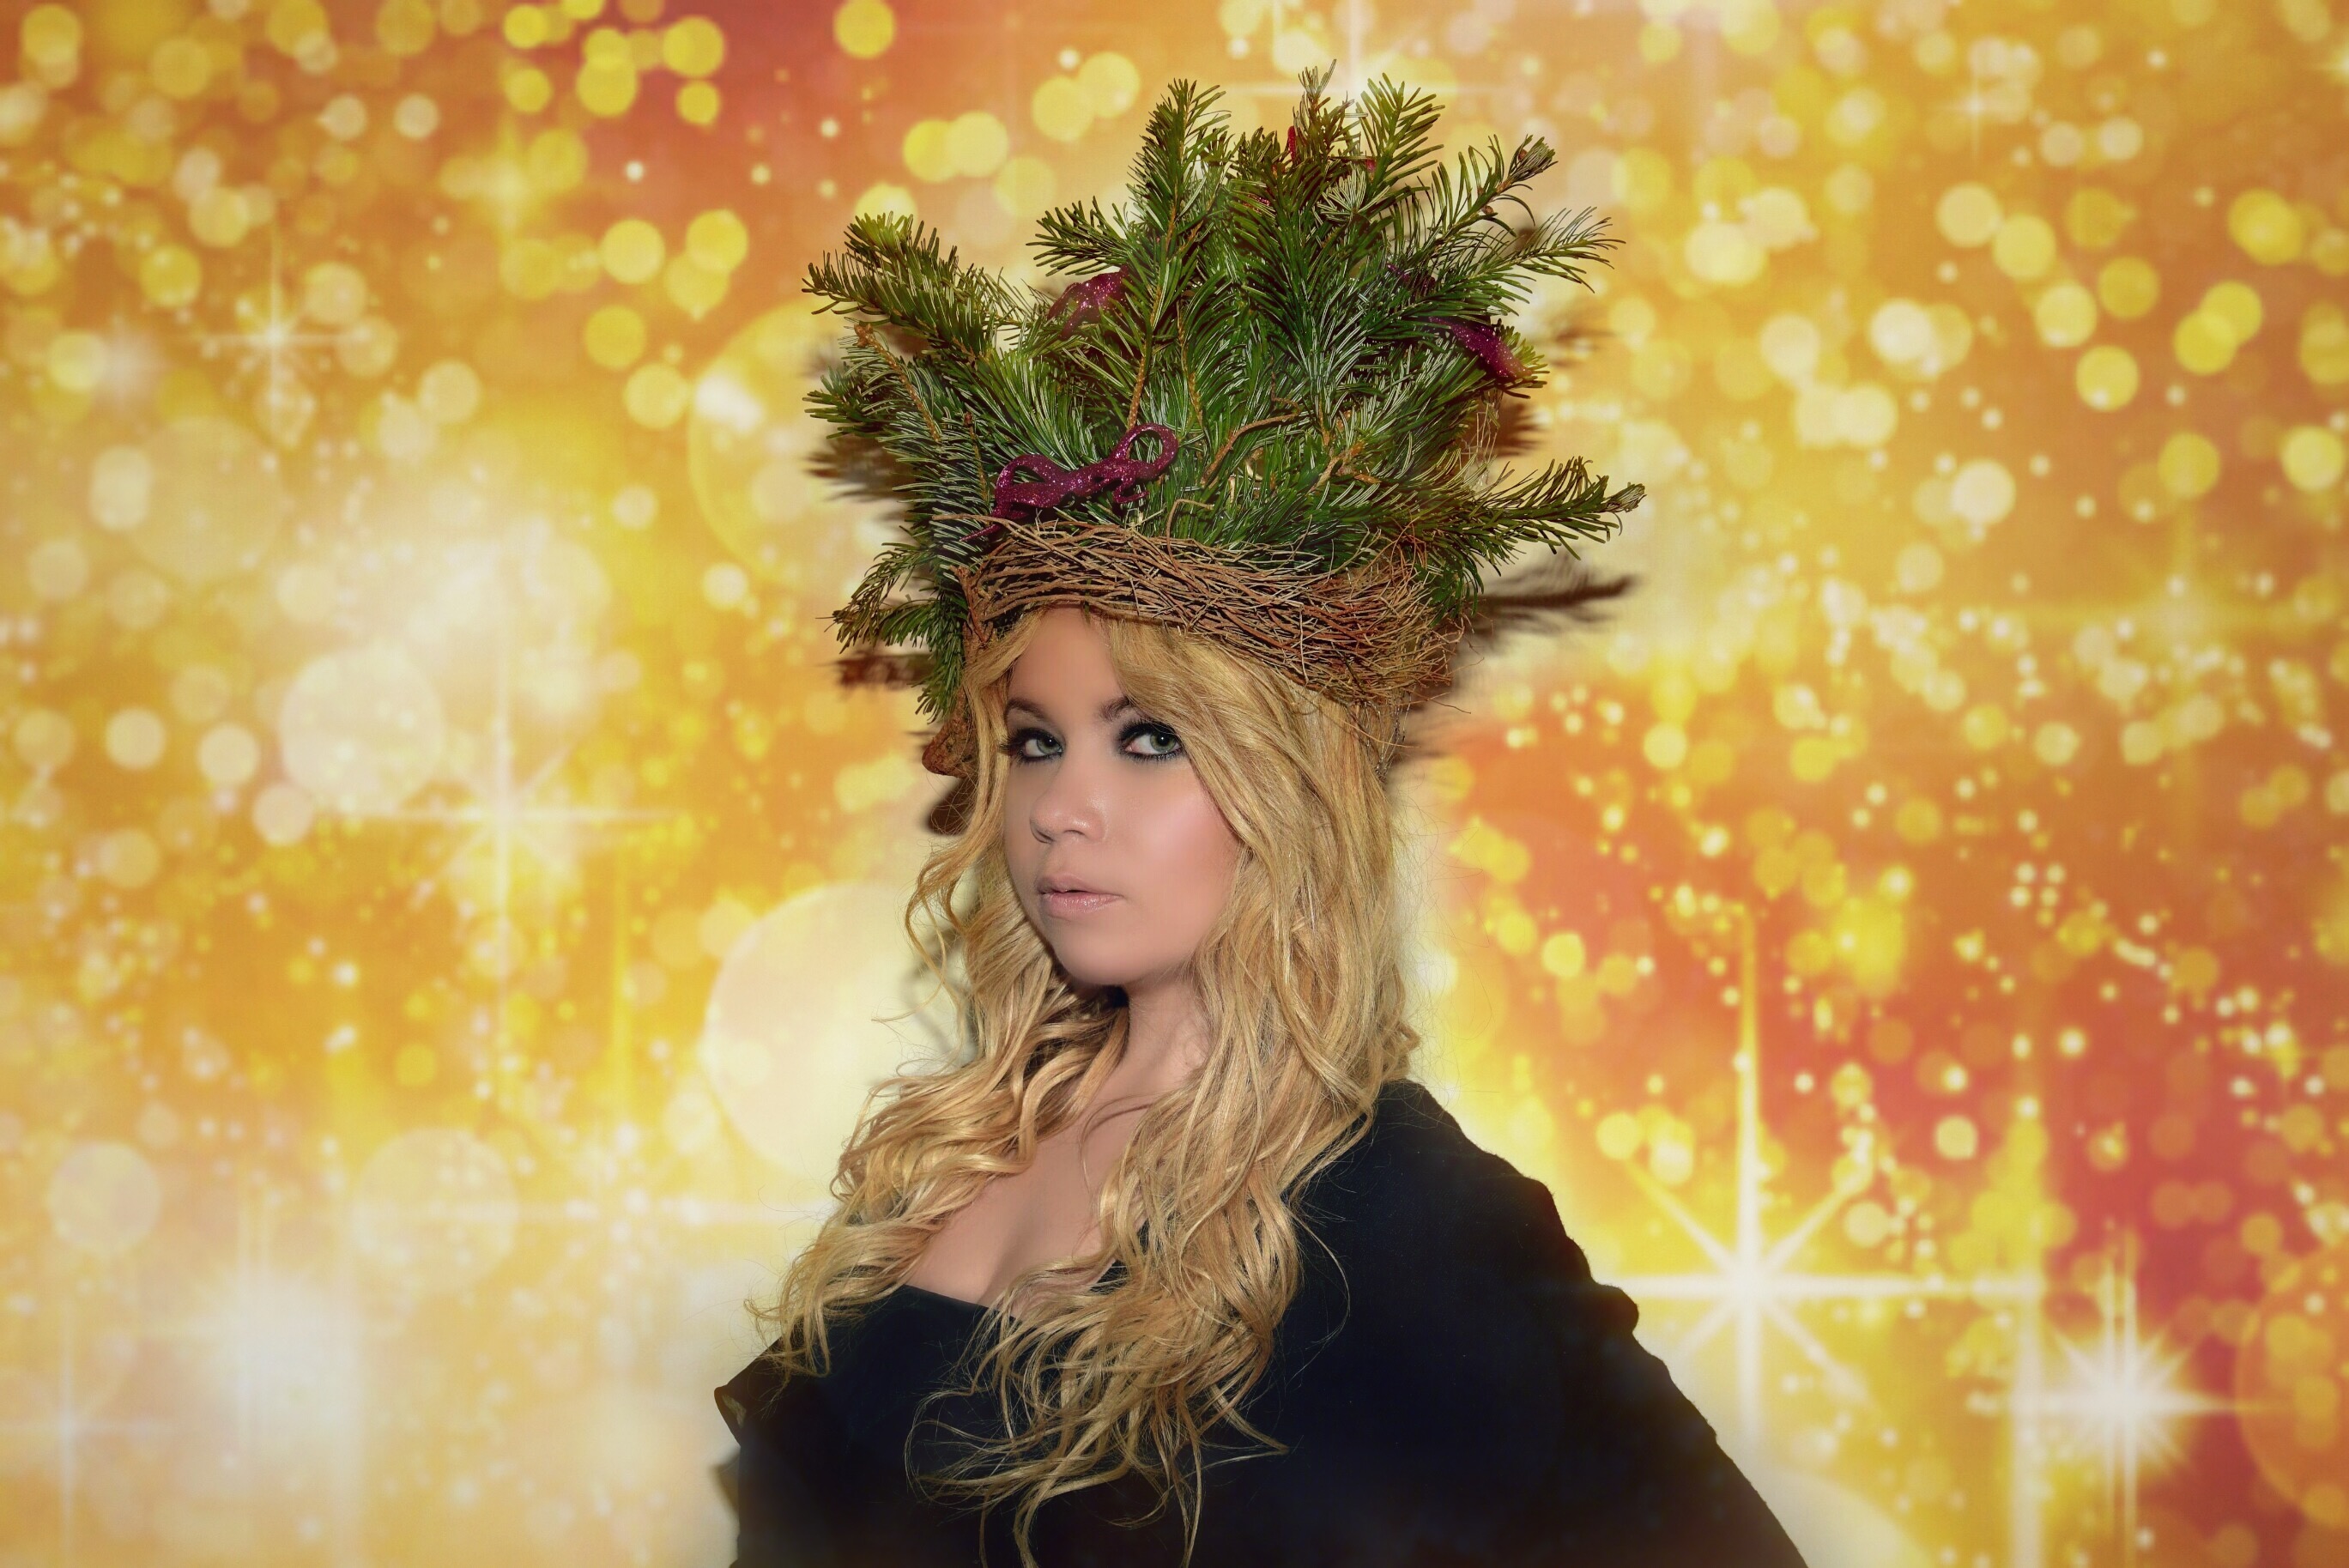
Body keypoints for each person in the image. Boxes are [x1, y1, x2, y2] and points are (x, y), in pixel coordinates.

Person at [715, 63, 1811, 1568]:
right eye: (1033, 742)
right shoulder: (955, 1152)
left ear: (1283, 790)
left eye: (1148, 739)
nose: (1062, 810)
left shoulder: (1401, 1220)